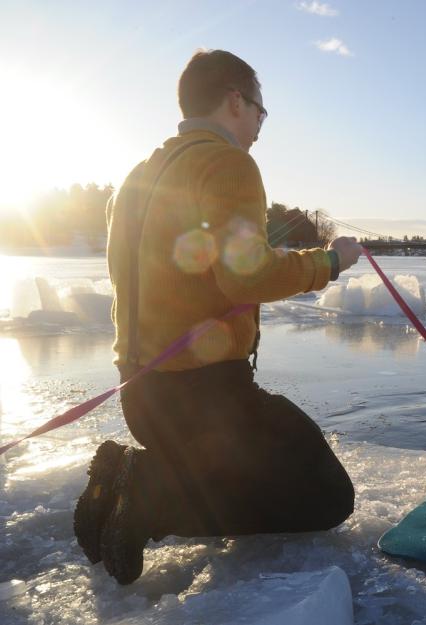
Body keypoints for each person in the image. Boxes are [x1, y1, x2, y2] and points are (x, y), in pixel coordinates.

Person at [73, 50, 362, 585]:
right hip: (206, 400)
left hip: (142, 395)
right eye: (259, 110)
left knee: (284, 468)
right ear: (235, 100)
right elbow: (245, 278)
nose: (258, 125)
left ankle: (128, 476)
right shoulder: (229, 163)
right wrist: (329, 262)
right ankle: (148, 495)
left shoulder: (135, 177)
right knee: (326, 495)